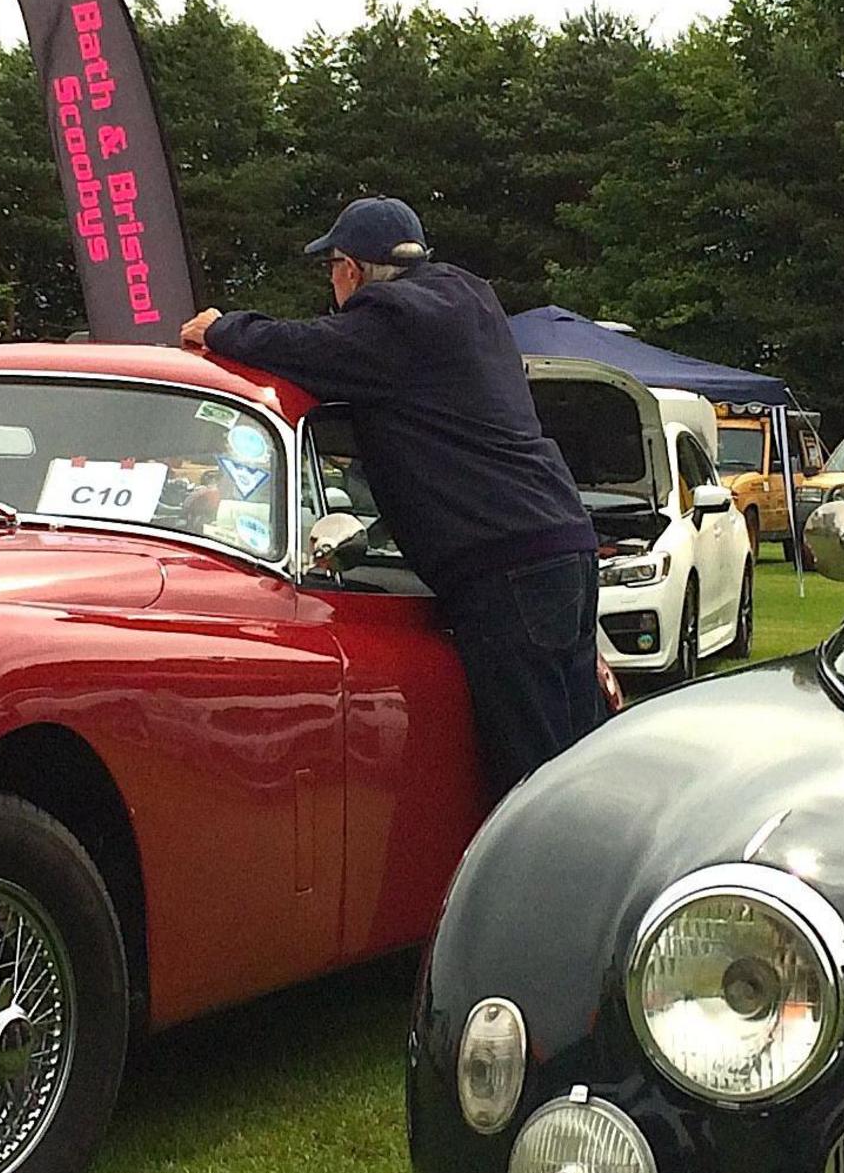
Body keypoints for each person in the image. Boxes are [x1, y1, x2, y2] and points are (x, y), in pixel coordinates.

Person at [180, 197, 606, 794]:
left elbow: (304, 348)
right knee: (575, 757)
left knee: (529, 778)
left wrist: (222, 328)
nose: (332, 283)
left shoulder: (396, 319)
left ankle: (539, 885)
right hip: (558, 541)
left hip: (503, 562)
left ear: (350, 269)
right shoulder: (469, 300)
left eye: (330, 268)